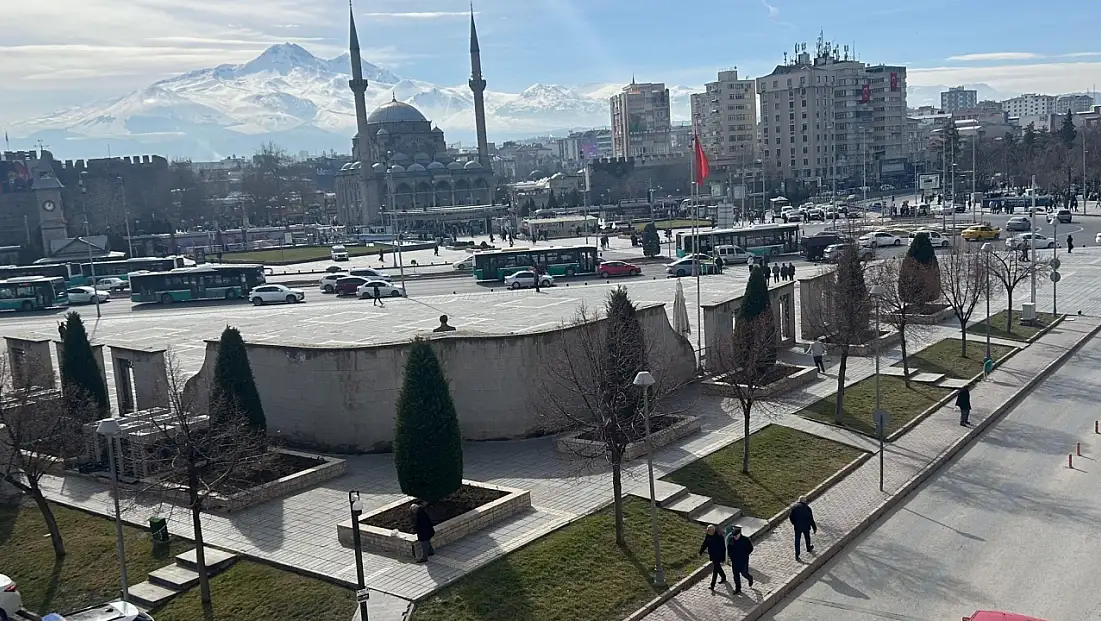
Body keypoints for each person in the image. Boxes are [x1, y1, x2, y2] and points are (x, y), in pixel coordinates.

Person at [725, 525, 754, 594]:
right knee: (736, 575)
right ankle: (738, 588)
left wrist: (745, 554)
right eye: (734, 536)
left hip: (743, 560)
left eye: (736, 536)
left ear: (739, 534)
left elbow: (750, 548)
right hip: (735, 560)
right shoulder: (732, 540)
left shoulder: (745, 540)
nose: (735, 537)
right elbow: (729, 548)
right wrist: (730, 555)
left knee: (744, 573)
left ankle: (750, 578)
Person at [698, 524, 727, 590]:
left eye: (709, 530)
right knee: (718, 567)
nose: (708, 531)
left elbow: (723, 548)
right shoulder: (708, 535)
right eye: (707, 530)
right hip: (713, 555)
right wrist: (700, 552)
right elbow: (705, 544)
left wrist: (723, 557)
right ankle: (723, 577)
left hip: (718, 556)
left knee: (715, 570)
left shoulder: (719, 537)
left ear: (713, 531)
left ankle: (712, 585)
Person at [789, 496, 818, 561]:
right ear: (804, 501)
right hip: (806, 526)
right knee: (807, 537)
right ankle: (808, 548)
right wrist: (814, 527)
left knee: (797, 539)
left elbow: (791, 517)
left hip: (797, 526)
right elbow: (811, 519)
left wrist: (794, 523)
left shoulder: (794, 508)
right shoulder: (807, 508)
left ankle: (797, 554)